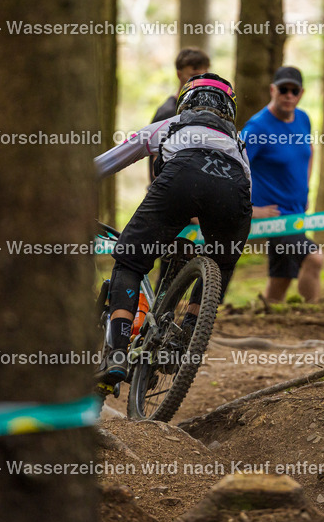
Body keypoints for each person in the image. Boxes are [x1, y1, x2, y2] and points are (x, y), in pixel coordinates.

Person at [95, 73, 252, 385]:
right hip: (232, 192)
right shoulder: (238, 142)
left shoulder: (170, 124)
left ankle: (117, 352)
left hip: (180, 180)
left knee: (130, 261)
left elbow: (105, 164)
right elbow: (247, 187)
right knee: (222, 263)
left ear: (186, 102)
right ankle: (187, 334)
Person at [240, 66, 323, 303]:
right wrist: (250, 209)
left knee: (281, 279)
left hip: (296, 214)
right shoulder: (257, 128)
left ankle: (264, 317)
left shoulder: (303, 119)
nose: (288, 95)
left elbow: (309, 152)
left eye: (294, 91)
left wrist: (305, 190)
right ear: (272, 90)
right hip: (274, 218)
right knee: (314, 258)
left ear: (301, 93)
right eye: (283, 89)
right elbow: (233, 168)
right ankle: (313, 315)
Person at [152, 47, 211, 124]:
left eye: (204, 76)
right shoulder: (167, 113)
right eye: (194, 76)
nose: (200, 81)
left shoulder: (210, 111)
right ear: (179, 75)